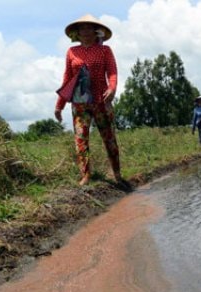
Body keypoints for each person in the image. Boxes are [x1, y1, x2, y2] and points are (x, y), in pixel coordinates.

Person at [54, 14, 127, 188]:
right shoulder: (72, 52)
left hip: (102, 100)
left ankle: (117, 173)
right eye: (81, 29)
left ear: (96, 32)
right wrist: (59, 105)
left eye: (88, 28)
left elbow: (112, 72)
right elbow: (67, 78)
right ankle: (86, 175)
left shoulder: (105, 50)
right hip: (80, 103)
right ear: (76, 34)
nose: (85, 32)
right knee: (81, 138)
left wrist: (112, 87)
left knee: (109, 138)